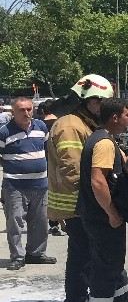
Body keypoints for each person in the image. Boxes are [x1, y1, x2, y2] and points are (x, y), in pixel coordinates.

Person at [47, 74, 114, 302]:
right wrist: (93, 201)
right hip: (76, 204)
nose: (103, 107)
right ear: (87, 100)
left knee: (83, 251)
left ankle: (78, 298)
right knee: (82, 254)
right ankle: (76, 300)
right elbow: (72, 170)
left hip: (80, 203)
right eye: (100, 101)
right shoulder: (70, 126)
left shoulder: (83, 123)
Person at [77, 98, 128, 302]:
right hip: (101, 216)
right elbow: (98, 181)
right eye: (127, 115)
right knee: (105, 265)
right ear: (115, 118)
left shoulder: (105, 139)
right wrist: (111, 213)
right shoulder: (104, 144)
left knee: (113, 262)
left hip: (97, 214)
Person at [1, 97, 56, 271]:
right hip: (15, 186)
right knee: (15, 223)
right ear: (13, 112)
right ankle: (17, 256)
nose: (26, 113)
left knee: (40, 221)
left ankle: (36, 253)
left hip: (40, 184)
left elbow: (48, 150)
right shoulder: (4, 132)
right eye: (21, 110)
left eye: (29, 109)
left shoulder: (41, 127)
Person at [38, 100, 66, 237]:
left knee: (51, 194)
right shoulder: (61, 124)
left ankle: (54, 223)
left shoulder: (40, 125)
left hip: (46, 163)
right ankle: (64, 220)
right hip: (61, 161)